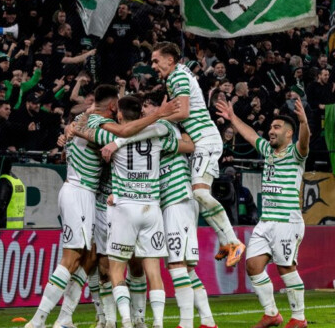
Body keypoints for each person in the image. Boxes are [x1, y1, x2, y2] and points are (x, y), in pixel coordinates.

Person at [26, 85, 177, 328]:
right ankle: (37, 321)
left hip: (84, 192)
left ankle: (66, 318)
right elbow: (125, 132)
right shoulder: (99, 124)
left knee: (89, 257)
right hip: (82, 192)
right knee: (73, 258)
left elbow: (92, 131)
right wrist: (158, 115)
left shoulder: (83, 119)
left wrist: (70, 130)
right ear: (112, 106)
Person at [100, 91, 216, 328]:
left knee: (129, 268)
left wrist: (111, 138)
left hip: (158, 202)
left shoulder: (120, 133)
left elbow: (189, 145)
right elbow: (187, 145)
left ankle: (132, 321)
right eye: (143, 107)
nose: (146, 110)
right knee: (168, 268)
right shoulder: (158, 135)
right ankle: (187, 321)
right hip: (154, 206)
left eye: (149, 105)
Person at [76, 95, 181, 328]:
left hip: (124, 207)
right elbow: (183, 142)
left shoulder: (110, 136)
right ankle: (158, 323)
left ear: (120, 114)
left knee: (116, 269)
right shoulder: (158, 135)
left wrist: (85, 119)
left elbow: (81, 130)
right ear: (141, 113)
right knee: (153, 271)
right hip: (151, 208)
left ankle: (125, 320)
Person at [215, 98, 310, 328]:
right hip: (266, 221)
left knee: (285, 267)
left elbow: (305, 142)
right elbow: (250, 135)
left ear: (289, 133)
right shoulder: (268, 151)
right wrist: (232, 117)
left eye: (277, 127)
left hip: (287, 221)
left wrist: (304, 122)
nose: (271, 131)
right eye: (270, 127)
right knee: (253, 265)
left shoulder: (295, 154)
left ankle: (299, 317)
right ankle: (272, 314)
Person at [150, 41, 245, 267]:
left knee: (200, 194)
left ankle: (234, 241)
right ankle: (225, 241)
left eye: (156, 60)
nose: (153, 66)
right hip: (202, 141)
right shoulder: (179, 74)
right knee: (199, 197)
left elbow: (183, 112)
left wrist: (156, 118)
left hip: (205, 140)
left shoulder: (177, 77)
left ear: (170, 60)